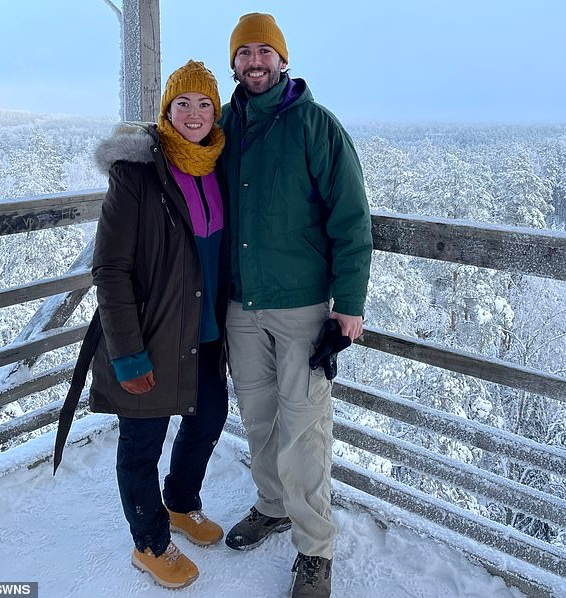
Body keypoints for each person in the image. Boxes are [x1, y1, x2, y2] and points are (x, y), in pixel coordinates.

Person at [54, 60, 229, 590]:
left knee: (209, 415)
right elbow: (110, 268)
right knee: (141, 444)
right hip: (150, 336)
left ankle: (179, 501)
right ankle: (148, 542)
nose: (194, 114)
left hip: (204, 332)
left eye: (204, 104)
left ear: (215, 112)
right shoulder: (136, 174)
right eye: (183, 103)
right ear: (166, 111)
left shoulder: (217, 166)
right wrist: (128, 354)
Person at [220, 13, 373, 598]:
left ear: (282, 58)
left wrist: (349, 304)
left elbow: (352, 220)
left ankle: (314, 550)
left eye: (265, 51)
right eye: (244, 53)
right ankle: (273, 505)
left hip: (302, 307)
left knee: (304, 428)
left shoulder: (315, 126)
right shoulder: (224, 125)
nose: (254, 62)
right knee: (258, 417)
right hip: (241, 305)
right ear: (233, 62)